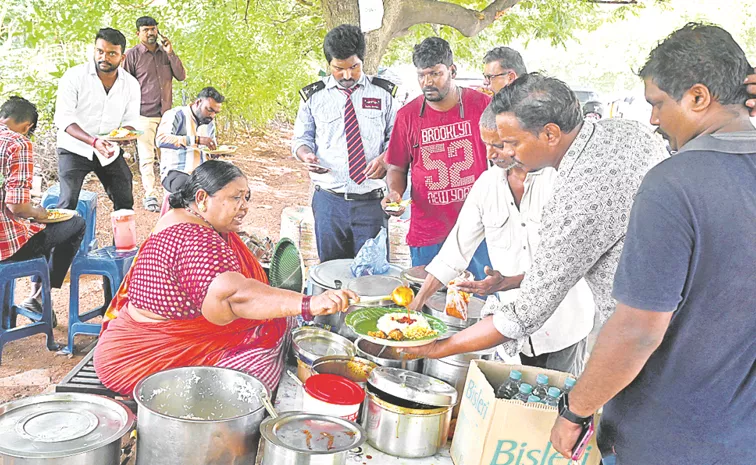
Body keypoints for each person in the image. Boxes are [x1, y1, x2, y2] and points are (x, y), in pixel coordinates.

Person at [550, 23, 756, 465]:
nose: (654, 120)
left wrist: (575, 410)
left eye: (658, 103)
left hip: (666, 439)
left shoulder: (673, 183)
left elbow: (638, 330)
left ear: (699, 97)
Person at [401, 74, 668, 374]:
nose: (500, 153)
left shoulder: (572, 189)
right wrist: (418, 304)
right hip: (530, 332)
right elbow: (455, 251)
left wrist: (438, 348)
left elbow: (531, 304)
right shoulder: (623, 133)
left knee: (564, 409)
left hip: (585, 331)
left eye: (508, 143)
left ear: (550, 134)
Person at [94, 160, 357, 394]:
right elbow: (234, 297)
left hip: (158, 340)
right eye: (235, 198)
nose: (244, 207)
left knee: (281, 323)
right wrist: (308, 304)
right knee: (256, 377)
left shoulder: (186, 217)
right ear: (202, 198)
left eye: (246, 197)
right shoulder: (192, 238)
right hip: (141, 357)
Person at [408, 105, 595, 375]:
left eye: (498, 145)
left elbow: (569, 263)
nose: (490, 154)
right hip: (512, 332)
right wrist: (417, 303)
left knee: (558, 407)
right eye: (485, 145)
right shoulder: (487, 185)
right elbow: (454, 251)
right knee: (516, 409)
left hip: (563, 328)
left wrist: (510, 281)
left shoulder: (560, 181)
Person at [382, 37, 492, 279]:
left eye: (435, 73)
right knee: (429, 306)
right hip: (428, 233)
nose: (427, 82)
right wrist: (394, 194)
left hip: (477, 231)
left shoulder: (483, 105)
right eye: (421, 75)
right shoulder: (407, 115)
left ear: (452, 70)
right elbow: (396, 167)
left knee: (478, 304)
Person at [291, 24, 398, 262]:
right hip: (329, 202)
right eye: (339, 69)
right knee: (331, 274)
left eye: (354, 67)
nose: (347, 75)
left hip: (371, 202)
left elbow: (399, 139)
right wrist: (306, 154)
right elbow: (301, 139)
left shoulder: (383, 94)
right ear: (329, 65)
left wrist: (385, 157)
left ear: (363, 61)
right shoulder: (314, 97)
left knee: (372, 275)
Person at [0, 97, 85, 317]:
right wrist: (39, 212)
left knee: (39, 232)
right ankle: (39, 296)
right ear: (27, 127)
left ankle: (32, 298)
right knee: (75, 223)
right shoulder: (17, 143)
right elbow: (17, 206)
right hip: (6, 250)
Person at [54, 27, 140, 213]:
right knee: (67, 202)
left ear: (122, 57)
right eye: (100, 51)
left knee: (124, 198)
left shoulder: (131, 84)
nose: (104, 57)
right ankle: (60, 242)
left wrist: (124, 135)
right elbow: (64, 119)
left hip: (108, 149)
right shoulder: (74, 76)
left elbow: (131, 120)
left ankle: (122, 243)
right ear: (94, 50)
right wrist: (93, 141)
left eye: (111, 54)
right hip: (74, 147)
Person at [123, 16, 186, 213]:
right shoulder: (132, 55)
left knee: (169, 155)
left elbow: (181, 76)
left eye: (153, 29)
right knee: (147, 157)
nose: (151, 33)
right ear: (138, 33)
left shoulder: (165, 53)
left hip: (167, 115)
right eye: (146, 30)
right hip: (144, 114)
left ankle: (171, 194)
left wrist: (171, 53)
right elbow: (124, 86)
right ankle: (150, 195)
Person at [157, 86, 223, 214]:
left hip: (202, 173)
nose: (212, 116)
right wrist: (196, 140)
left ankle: (218, 232)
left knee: (226, 188)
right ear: (198, 102)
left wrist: (215, 154)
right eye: (209, 110)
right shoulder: (176, 114)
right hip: (176, 171)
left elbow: (209, 150)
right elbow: (161, 140)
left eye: (216, 112)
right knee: (192, 191)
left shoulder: (209, 123)